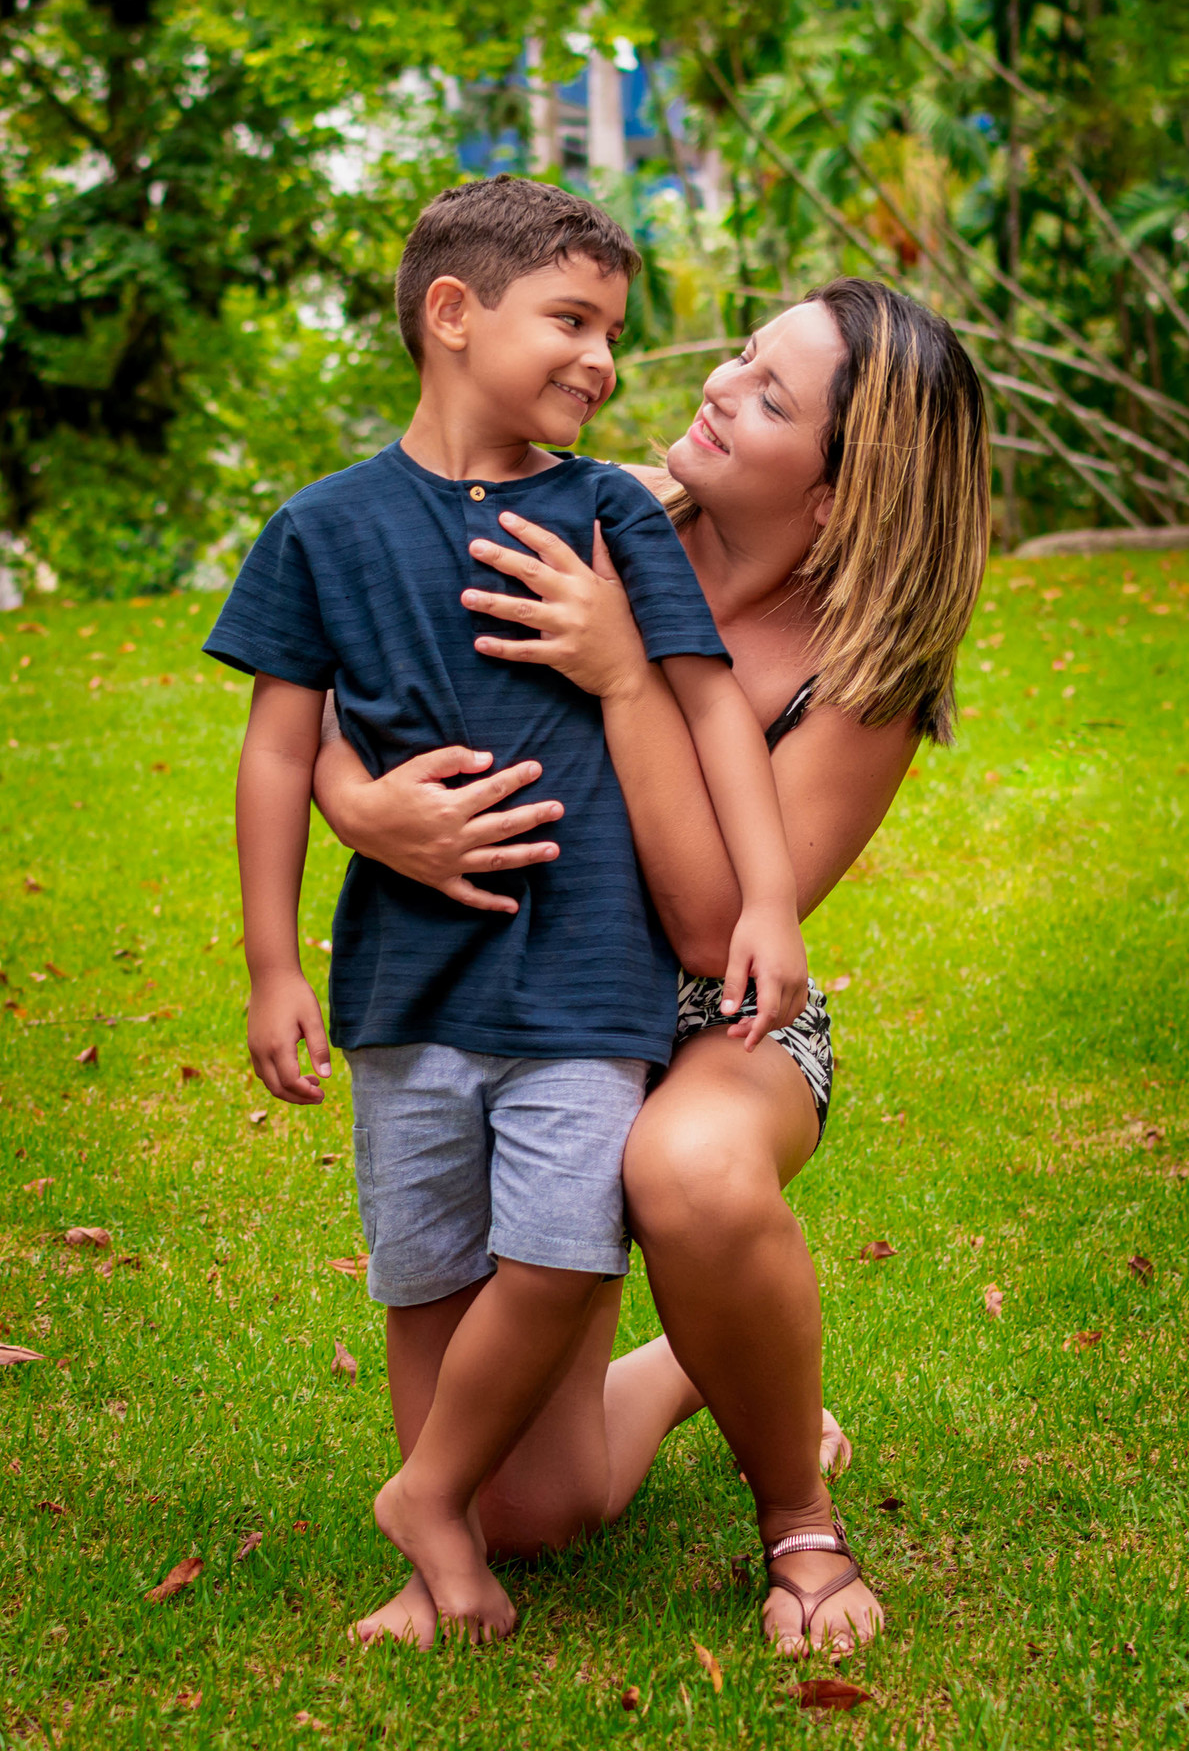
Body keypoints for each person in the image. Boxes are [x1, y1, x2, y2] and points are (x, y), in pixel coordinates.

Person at [313, 276, 991, 1658]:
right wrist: (355, 802)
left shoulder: (862, 677)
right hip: (533, 996)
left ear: (843, 488)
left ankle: (797, 1516)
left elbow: (711, 926)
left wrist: (629, 680)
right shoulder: (587, 509)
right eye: (743, 355)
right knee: (532, 1510)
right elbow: (338, 686)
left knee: (680, 1168)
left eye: (770, 393)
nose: (718, 384)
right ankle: (705, 1360)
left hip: (716, 1025)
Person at [202, 176, 811, 1644]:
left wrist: (773, 902)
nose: (605, 361)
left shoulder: (608, 513)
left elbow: (711, 712)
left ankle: (431, 1501)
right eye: (576, 321)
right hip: (406, 987)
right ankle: (442, 1549)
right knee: (425, 1276)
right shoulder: (324, 528)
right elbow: (282, 747)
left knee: (556, 1250)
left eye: (615, 330)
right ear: (454, 317)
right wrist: (273, 963)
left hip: (586, 985)